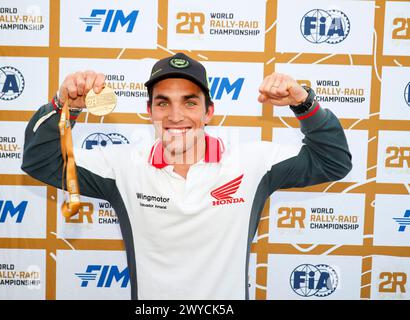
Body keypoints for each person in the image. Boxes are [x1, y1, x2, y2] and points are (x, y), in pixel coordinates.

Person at [22, 52, 352, 300]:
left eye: (189, 102)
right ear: (149, 111)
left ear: (209, 111)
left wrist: (303, 102)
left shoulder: (252, 162)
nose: (176, 116)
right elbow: (40, 161)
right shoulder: (121, 167)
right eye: (163, 103)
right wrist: (64, 105)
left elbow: (333, 162)